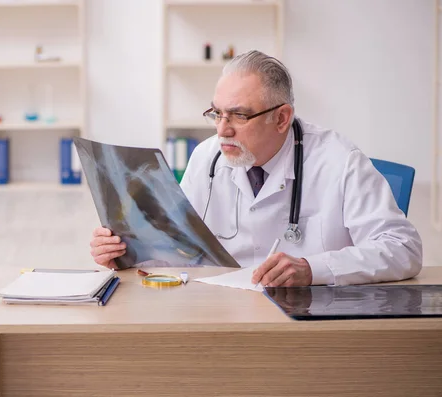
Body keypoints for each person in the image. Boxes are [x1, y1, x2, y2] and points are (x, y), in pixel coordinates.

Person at [89, 50, 423, 287]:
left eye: (239, 115)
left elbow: (403, 248)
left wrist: (313, 268)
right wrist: (125, 253)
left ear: (282, 118)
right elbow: (181, 248)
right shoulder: (207, 158)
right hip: (224, 316)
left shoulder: (339, 161)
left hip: (311, 323)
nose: (222, 129)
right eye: (216, 113)